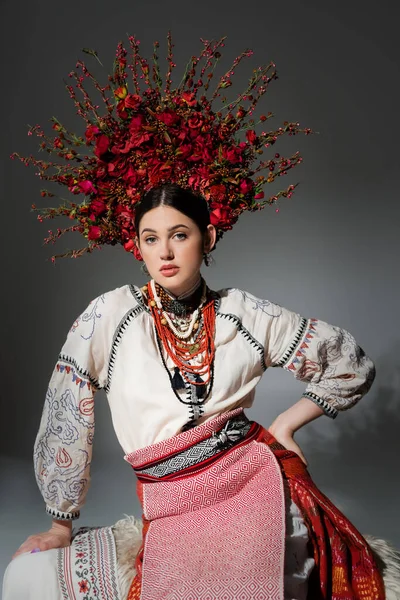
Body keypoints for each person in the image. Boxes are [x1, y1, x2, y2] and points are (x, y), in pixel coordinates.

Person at [3, 34, 387, 599]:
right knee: (23, 579)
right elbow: (68, 415)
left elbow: (350, 366)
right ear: (136, 244)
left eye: (179, 236)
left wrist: (284, 426)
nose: (164, 252)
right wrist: (62, 522)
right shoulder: (106, 317)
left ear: (206, 239)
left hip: (251, 487)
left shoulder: (240, 313)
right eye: (150, 238)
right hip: (169, 506)